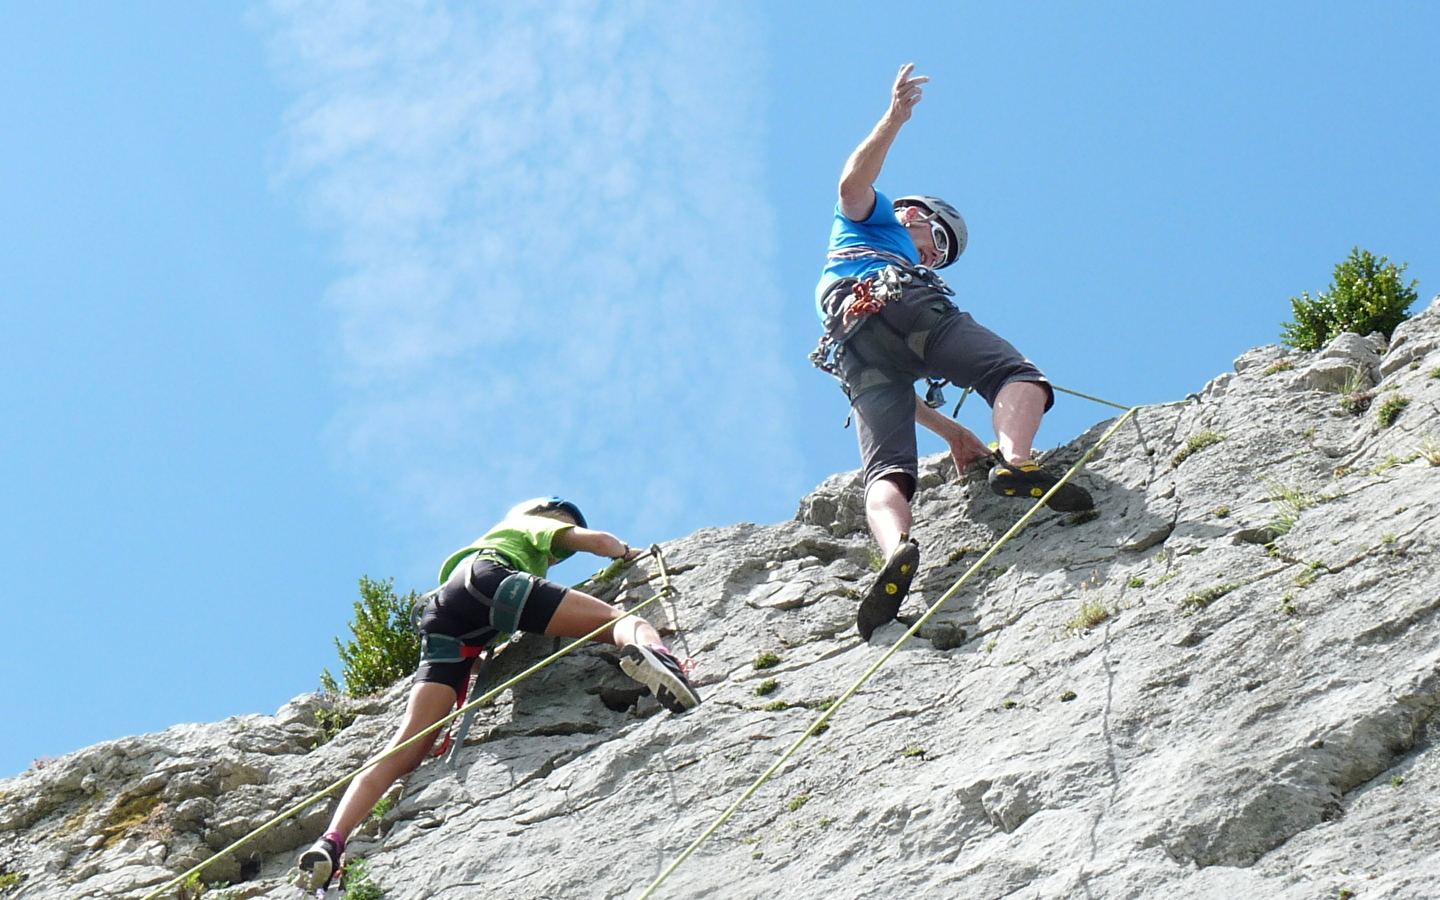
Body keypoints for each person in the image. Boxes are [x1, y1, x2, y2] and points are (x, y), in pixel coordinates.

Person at [812, 64, 1093, 641]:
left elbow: (897, 387)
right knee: (1017, 375)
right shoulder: (874, 224)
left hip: (856, 348)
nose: (935, 258)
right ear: (912, 215)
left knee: (886, 470)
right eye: (937, 240)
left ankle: (896, 552)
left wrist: (953, 434)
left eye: (942, 256)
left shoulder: (860, 257)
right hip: (902, 305)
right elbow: (850, 186)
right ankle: (1018, 462)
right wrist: (894, 118)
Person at [291, 497, 700, 892]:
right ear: (544, 512)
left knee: (409, 744)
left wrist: (452, 700)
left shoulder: (488, 541)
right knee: (618, 619)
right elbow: (596, 542)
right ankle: (661, 660)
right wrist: (627, 552)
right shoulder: (527, 524)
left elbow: (471, 648)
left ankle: (332, 841)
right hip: (489, 581)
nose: (558, 559)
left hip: (447, 612)